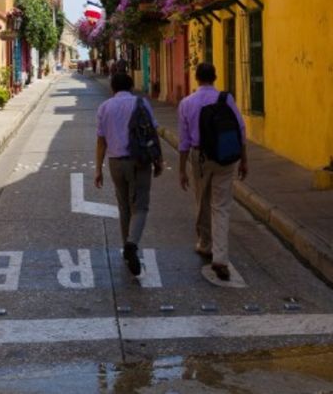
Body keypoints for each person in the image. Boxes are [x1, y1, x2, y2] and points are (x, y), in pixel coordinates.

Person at [177, 62, 248, 281]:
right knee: (222, 206)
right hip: (226, 157)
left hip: (200, 157)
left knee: (202, 200)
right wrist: (244, 160)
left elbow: (184, 141)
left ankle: (205, 243)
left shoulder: (187, 103)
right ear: (215, 77)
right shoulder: (226, 99)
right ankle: (220, 257)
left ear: (196, 78)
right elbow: (241, 129)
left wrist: (182, 169)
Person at [95, 72, 163, 275]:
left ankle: (127, 248)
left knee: (124, 207)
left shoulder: (105, 107)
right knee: (140, 207)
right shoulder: (141, 104)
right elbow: (152, 132)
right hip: (140, 160)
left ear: (112, 87)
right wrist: (158, 159)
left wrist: (98, 168)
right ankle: (132, 245)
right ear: (131, 86)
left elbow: (101, 141)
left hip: (116, 162)